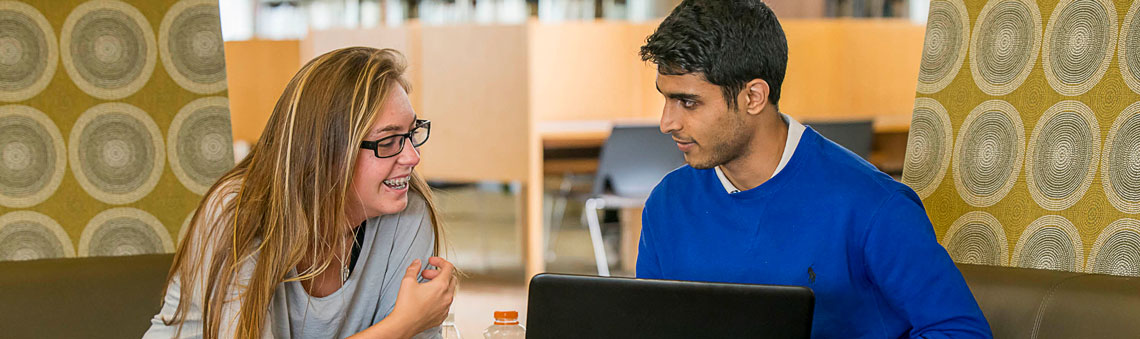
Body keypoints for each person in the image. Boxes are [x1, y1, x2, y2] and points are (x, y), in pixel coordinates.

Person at [634, 1, 992, 337]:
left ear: (754, 97)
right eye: (666, 98)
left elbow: (962, 332)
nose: (667, 122)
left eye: (688, 102)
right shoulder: (667, 203)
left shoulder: (875, 206)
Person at [143, 47, 456, 338]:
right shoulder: (239, 212)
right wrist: (400, 325)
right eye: (387, 141)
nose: (413, 157)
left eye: (412, 133)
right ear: (325, 152)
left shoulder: (406, 212)